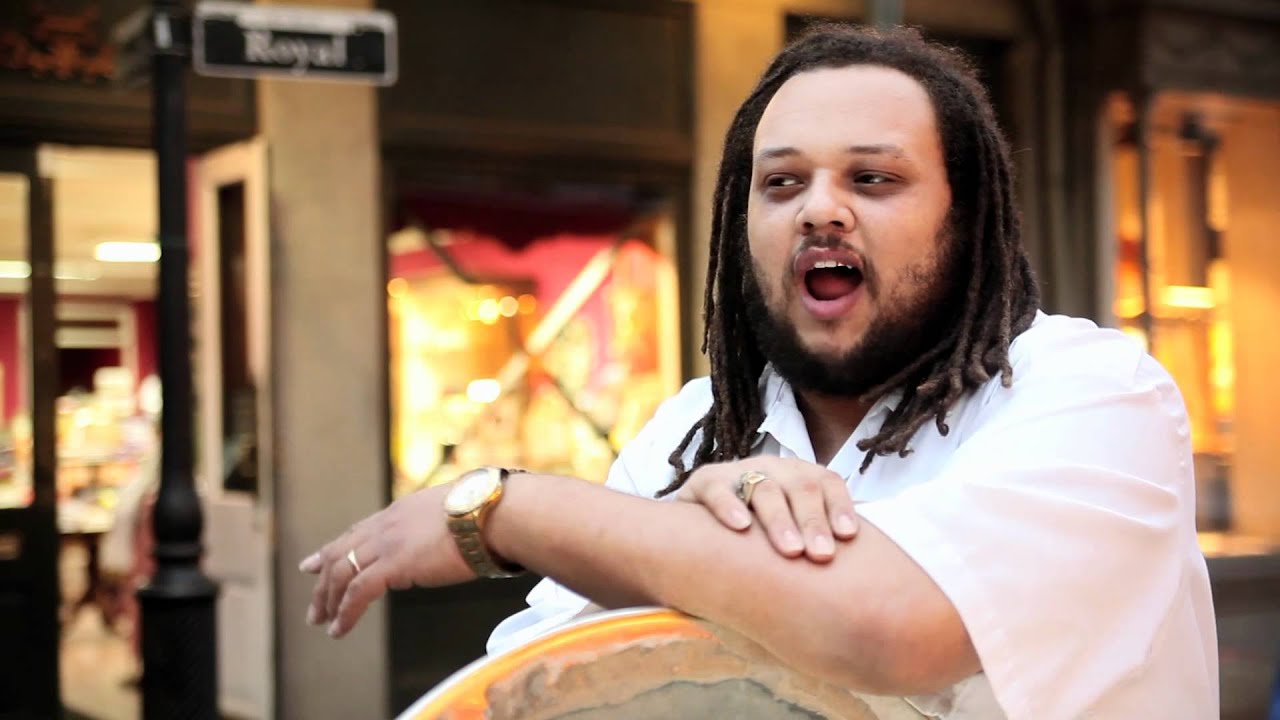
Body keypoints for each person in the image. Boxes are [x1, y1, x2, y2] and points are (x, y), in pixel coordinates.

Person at [301, 26, 1218, 718]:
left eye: (873, 180)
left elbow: (890, 628)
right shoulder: (693, 429)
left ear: (968, 220)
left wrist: (509, 507)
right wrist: (701, 521)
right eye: (781, 184)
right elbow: (551, 685)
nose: (820, 209)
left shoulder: (1091, 392)